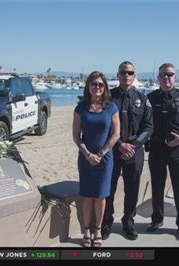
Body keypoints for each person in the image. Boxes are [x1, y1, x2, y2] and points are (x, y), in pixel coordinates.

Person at [146, 63, 179, 240]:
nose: (166, 78)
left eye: (170, 75)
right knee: (157, 186)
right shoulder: (150, 98)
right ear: (158, 78)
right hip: (156, 149)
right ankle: (157, 219)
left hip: (177, 150)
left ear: (175, 77)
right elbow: (143, 123)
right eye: (163, 75)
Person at [102, 61, 153, 241]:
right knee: (109, 188)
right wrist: (119, 144)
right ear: (117, 75)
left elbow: (148, 126)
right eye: (123, 72)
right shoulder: (108, 98)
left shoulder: (142, 98)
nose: (126, 76)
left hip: (134, 151)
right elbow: (104, 126)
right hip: (113, 150)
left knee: (132, 189)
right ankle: (106, 221)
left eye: (130, 73)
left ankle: (128, 221)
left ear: (134, 76)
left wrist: (134, 146)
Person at [73, 71, 120, 247]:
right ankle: (86, 230)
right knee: (86, 196)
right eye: (94, 84)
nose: (97, 87)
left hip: (105, 159)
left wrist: (100, 155)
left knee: (100, 197)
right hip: (85, 158)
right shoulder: (80, 108)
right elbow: (76, 136)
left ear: (105, 87)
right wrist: (87, 154)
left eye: (100, 84)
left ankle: (98, 230)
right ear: (88, 87)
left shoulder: (112, 108)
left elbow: (116, 135)